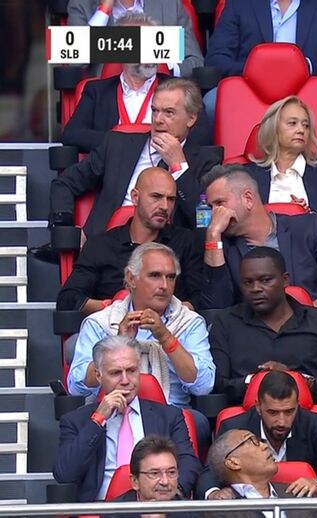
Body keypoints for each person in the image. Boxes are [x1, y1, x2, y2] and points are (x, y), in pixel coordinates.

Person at [50, 78, 222, 237]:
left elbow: (204, 222)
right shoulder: (117, 145)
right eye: (154, 111)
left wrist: (179, 167)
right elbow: (65, 182)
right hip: (108, 246)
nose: (158, 120)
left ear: (191, 118)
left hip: (168, 250)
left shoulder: (207, 161)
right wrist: (67, 226)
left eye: (169, 113)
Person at [53, 336, 200, 502]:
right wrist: (98, 420)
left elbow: (189, 463)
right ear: (99, 376)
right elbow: (64, 474)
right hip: (101, 509)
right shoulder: (76, 421)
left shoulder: (169, 416)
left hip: (158, 505)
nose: (125, 380)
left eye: (131, 371)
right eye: (116, 373)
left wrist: (170, 496)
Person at [68, 243, 215, 409]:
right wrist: (118, 343)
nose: (164, 285)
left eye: (171, 277)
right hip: (113, 412)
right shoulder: (100, 323)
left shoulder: (189, 322)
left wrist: (166, 338)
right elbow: (77, 387)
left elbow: (204, 386)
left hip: (173, 414)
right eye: (155, 275)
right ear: (131, 278)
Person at [209, 247, 317, 404]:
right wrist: (255, 381)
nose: (256, 288)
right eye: (248, 282)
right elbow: (216, 385)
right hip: (248, 413)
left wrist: (300, 381)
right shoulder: (225, 322)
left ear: (285, 280)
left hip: (309, 413)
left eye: (265, 280)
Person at [199, 165, 317, 311]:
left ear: (248, 199)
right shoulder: (219, 246)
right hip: (254, 328)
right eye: (211, 207)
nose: (214, 213)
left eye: (219, 203)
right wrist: (213, 237)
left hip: (312, 324)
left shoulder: (310, 228)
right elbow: (215, 310)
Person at [56, 167, 203, 314]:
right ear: (135, 197)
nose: (164, 206)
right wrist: (114, 308)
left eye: (170, 199)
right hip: (111, 326)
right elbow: (68, 299)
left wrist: (168, 311)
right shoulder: (101, 246)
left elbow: (199, 299)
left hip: (171, 325)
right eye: (156, 197)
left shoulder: (185, 241)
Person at [61, 13, 212, 153]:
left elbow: (203, 135)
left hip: (165, 166)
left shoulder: (181, 90)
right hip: (113, 169)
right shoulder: (97, 91)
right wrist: (125, 142)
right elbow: (72, 134)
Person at [198, 371, 317, 500]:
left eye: (289, 412)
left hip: (299, 508)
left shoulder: (313, 423)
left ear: (297, 405)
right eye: (273, 413)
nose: (281, 422)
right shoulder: (234, 427)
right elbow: (210, 474)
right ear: (258, 407)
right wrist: (215, 494)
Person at [244, 96, 317, 233]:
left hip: (309, 244)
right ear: (273, 128)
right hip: (264, 244)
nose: (301, 130)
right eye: (292, 123)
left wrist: (310, 215)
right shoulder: (249, 175)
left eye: (306, 125)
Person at [203, 429, 317, 518]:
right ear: (233, 463)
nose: (264, 446)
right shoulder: (220, 511)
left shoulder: (299, 495)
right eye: (253, 441)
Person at [204, 0, 317, 78]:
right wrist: (254, 70)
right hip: (248, 86)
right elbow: (216, 58)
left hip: (307, 87)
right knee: (211, 102)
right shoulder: (240, 3)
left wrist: (305, 66)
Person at [66, 1, 203, 77]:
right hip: (106, 97)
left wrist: (165, 69)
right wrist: (104, 10)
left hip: (162, 94)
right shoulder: (81, 5)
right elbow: (76, 61)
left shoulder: (169, 5)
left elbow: (195, 61)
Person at [110, 436, 196, 518]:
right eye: (155, 473)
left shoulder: (190, 512)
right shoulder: (113, 512)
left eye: (171, 472)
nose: (165, 481)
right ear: (135, 481)